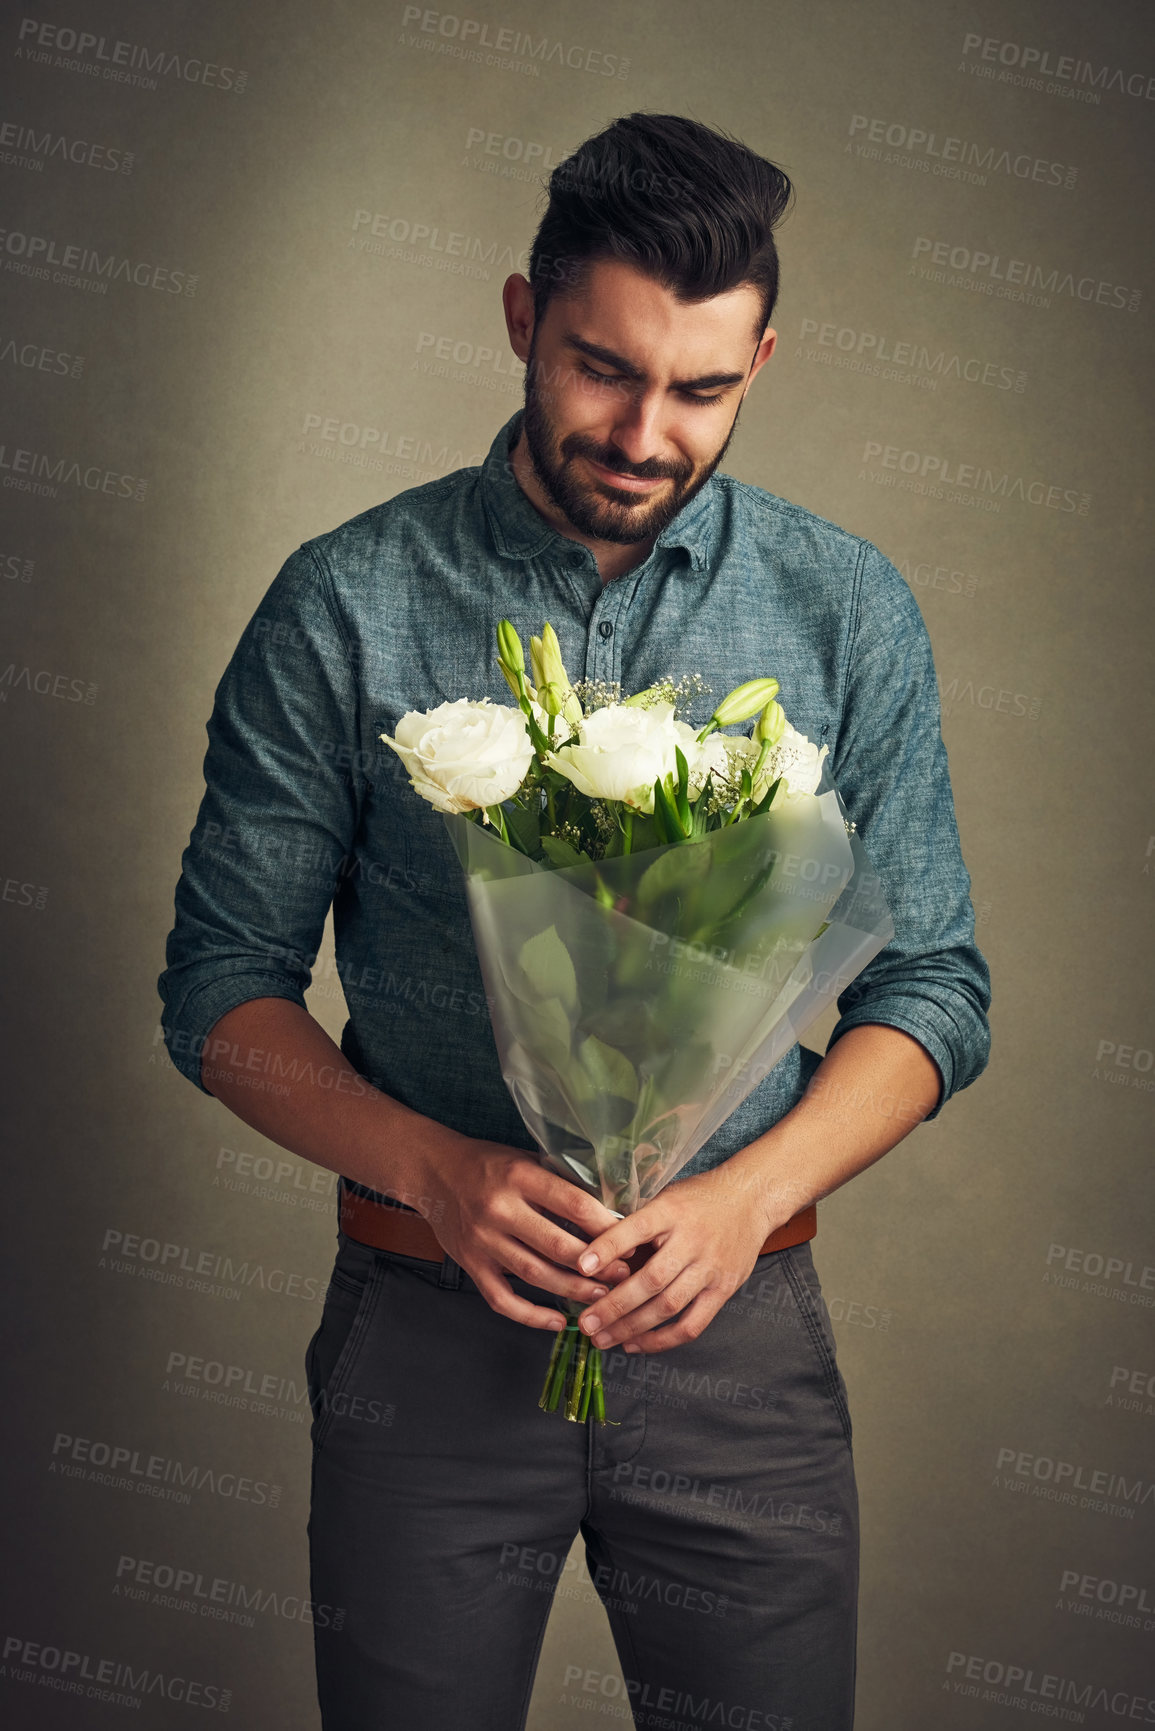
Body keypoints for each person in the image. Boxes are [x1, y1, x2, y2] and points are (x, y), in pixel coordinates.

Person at [158, 113, 990, 1731]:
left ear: (763, 361)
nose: (646, 429)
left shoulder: (849, 607)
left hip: (744, 1348)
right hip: (422, 1332)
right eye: (606, 368)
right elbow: (221, 990)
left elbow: (935, 986)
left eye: (703, 389)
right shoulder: (345, 599)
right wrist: (437, 1172)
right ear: (523, 317)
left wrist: (748, 1201)